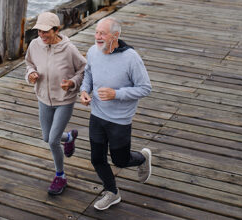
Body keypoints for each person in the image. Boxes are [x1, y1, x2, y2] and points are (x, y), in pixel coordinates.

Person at [80, 17, 152, 210]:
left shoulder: (131, 58)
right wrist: (84, 91)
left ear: (116, 35)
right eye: (96, 32)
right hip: (97, 114)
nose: (97, 37)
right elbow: (88, 73)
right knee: (97, 158)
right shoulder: (93, 51)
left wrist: (116, 94)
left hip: (120, 120)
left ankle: (142, 158)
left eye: (102, 33)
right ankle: (112, 192)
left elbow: (145, 88)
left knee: (120, 160)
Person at [25, 12, 86, 195]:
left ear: (56, 30)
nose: (42, 36)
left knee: (52, 140)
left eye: (45, 32)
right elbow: (29, 63)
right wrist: (31, 74)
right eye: (39, 32)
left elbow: (84, 69)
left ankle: (60, 176)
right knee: (47, 137)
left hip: (64, 100)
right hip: (43, 98)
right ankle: (69, 137)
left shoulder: (69, 49)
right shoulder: (35, 45)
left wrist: (72, 83)